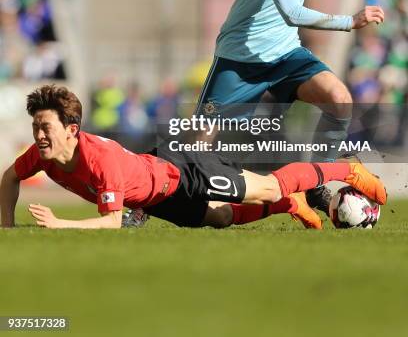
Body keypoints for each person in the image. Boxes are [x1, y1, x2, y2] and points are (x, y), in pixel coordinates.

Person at [195, 0, 385, 213]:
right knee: (197, 144)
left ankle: (318, 183)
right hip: (242, 56)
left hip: (285, 53)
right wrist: (349, 21)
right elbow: (291, 12)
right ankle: (146, 203)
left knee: (339, 99)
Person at [0, 85, 386, 230]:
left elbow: (112, 222)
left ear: (71, 129)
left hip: (183, 170)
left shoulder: (99, 160)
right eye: (36, 126)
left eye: (45, 127)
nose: (38, 134)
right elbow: (8, 178)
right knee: (218, 218)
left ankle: (347, 169)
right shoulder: (43, 154)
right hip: (156, 196)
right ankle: (288, 205)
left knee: (265, 188)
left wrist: (60, 224)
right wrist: (7, 227)